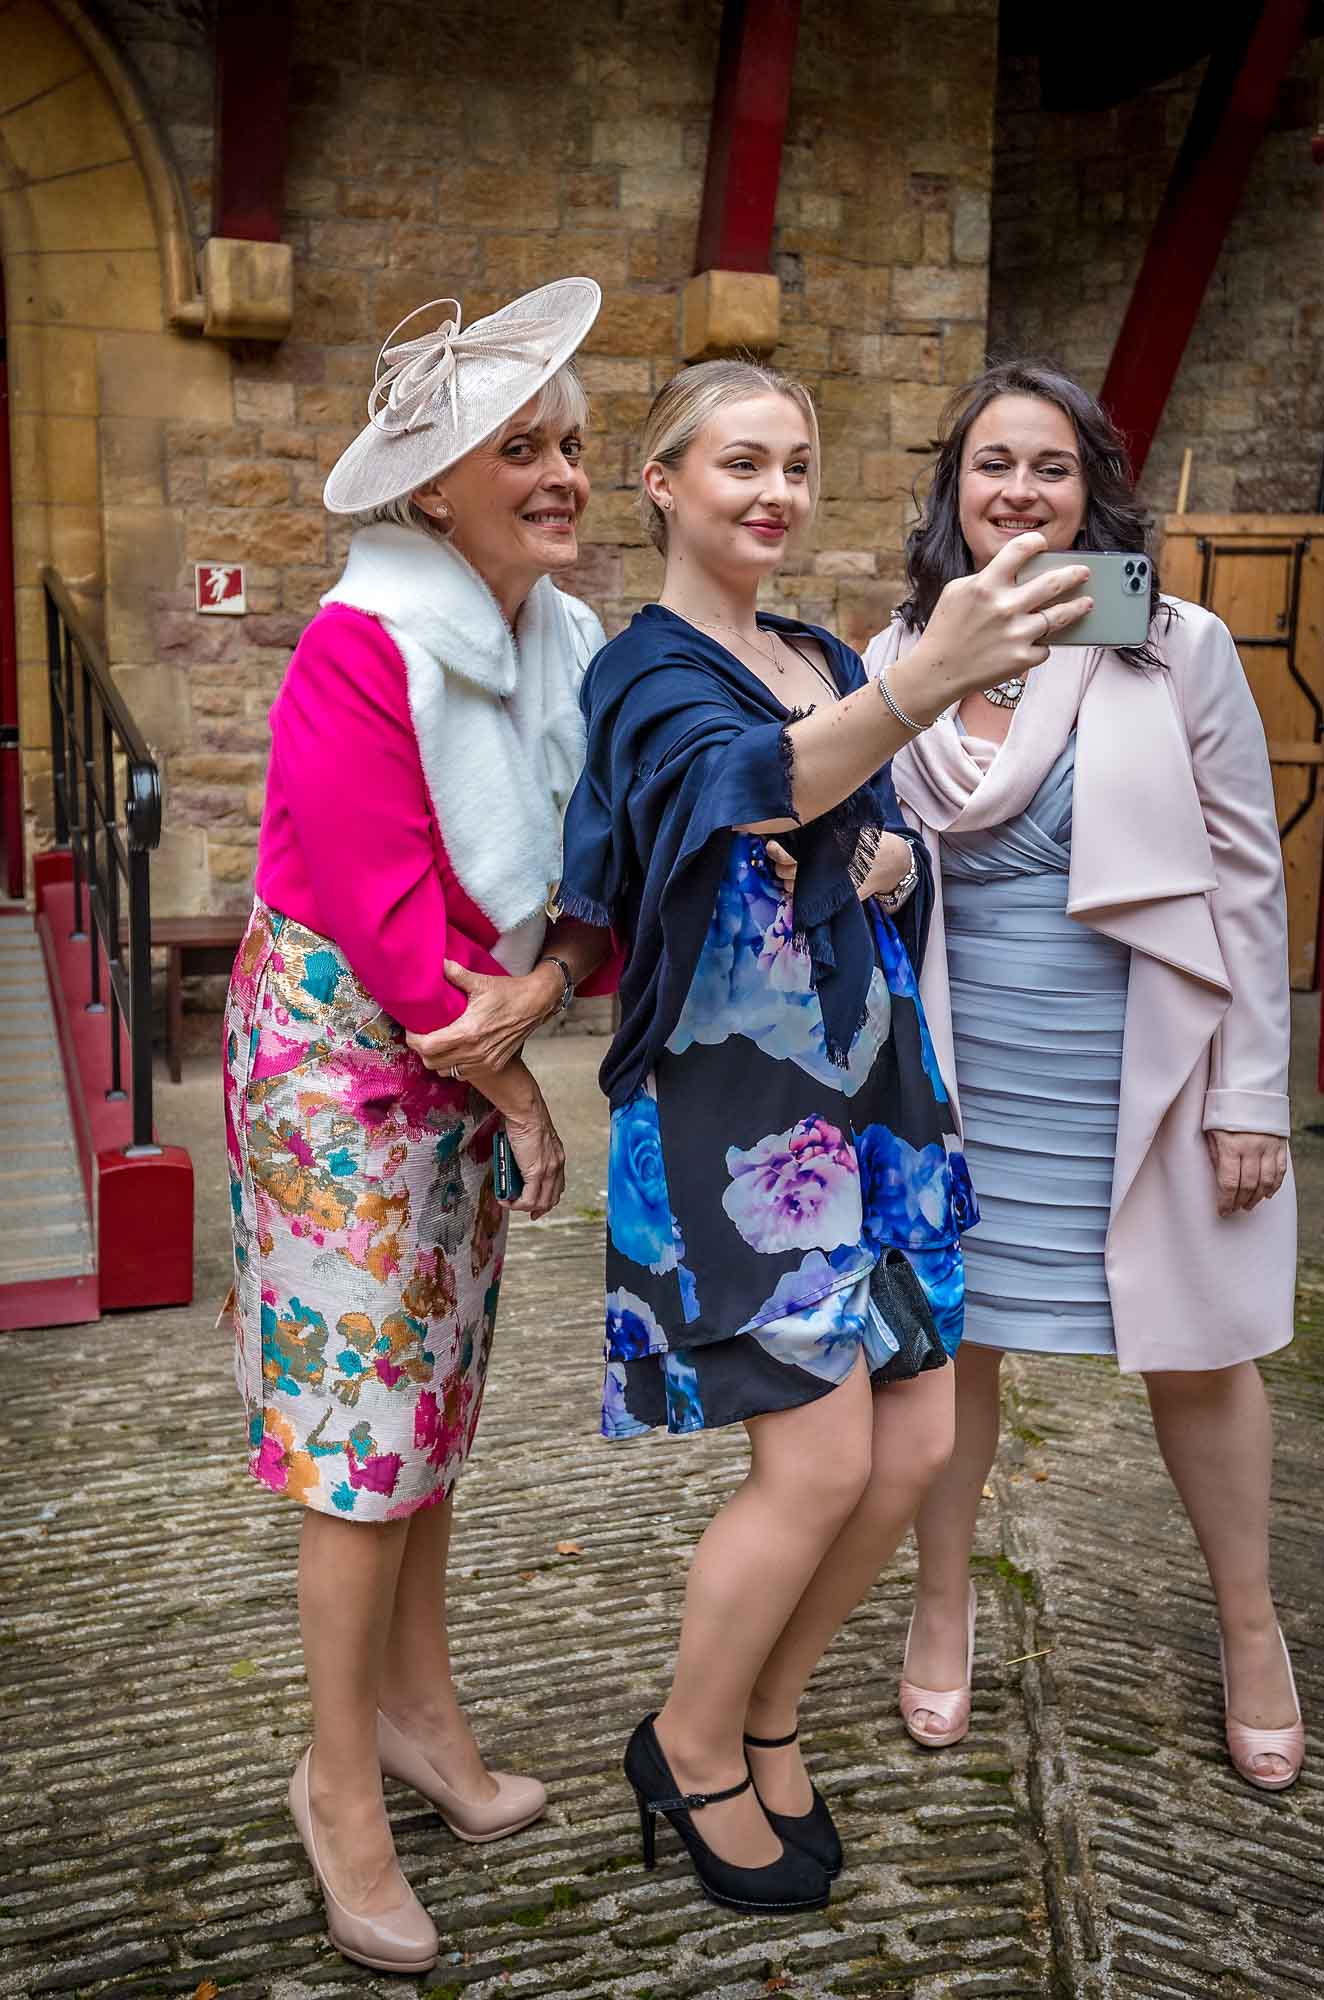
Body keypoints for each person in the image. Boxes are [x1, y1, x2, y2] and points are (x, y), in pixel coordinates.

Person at [556, 358, 1093, 1913]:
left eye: (795, 463)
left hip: (873, 1091)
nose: (774, 492)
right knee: (813, 1463)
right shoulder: (641, 667)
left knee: (915, 1445)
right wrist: (909, 701)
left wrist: (880, 863)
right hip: (741, 1115)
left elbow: (863, 834)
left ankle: (769, 1710)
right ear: (660, 483)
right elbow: (733, 795)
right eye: (739, 464)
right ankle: (687, 1739)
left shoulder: (810, 646)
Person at [222, 280, 616, 1974]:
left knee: (430, 1416)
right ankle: (338, 1788)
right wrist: (521, 1073)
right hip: (343, 1068)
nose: (561, 474)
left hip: (452, 1053)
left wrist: (555, 985)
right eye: (518, 448)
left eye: (573, 445)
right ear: (430, 487)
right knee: (356, 1446)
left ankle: (423, 1722)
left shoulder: (563, 646)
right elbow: (390, 924)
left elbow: (595, 867)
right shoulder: (354, 644)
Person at [869, 362, 1303, 1793]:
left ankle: (1250, 1627)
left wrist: (1249, 1089)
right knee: (956, 1348)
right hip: (957, 1063)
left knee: (1197, 1351)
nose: (1017, 492)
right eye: (990, 465)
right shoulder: (900, 650)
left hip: (1145, 1064)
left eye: (1048, 467)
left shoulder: (1164, 644)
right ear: (952, 489)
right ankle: (942, 1609)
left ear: (1091, 488)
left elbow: (1244, 873)